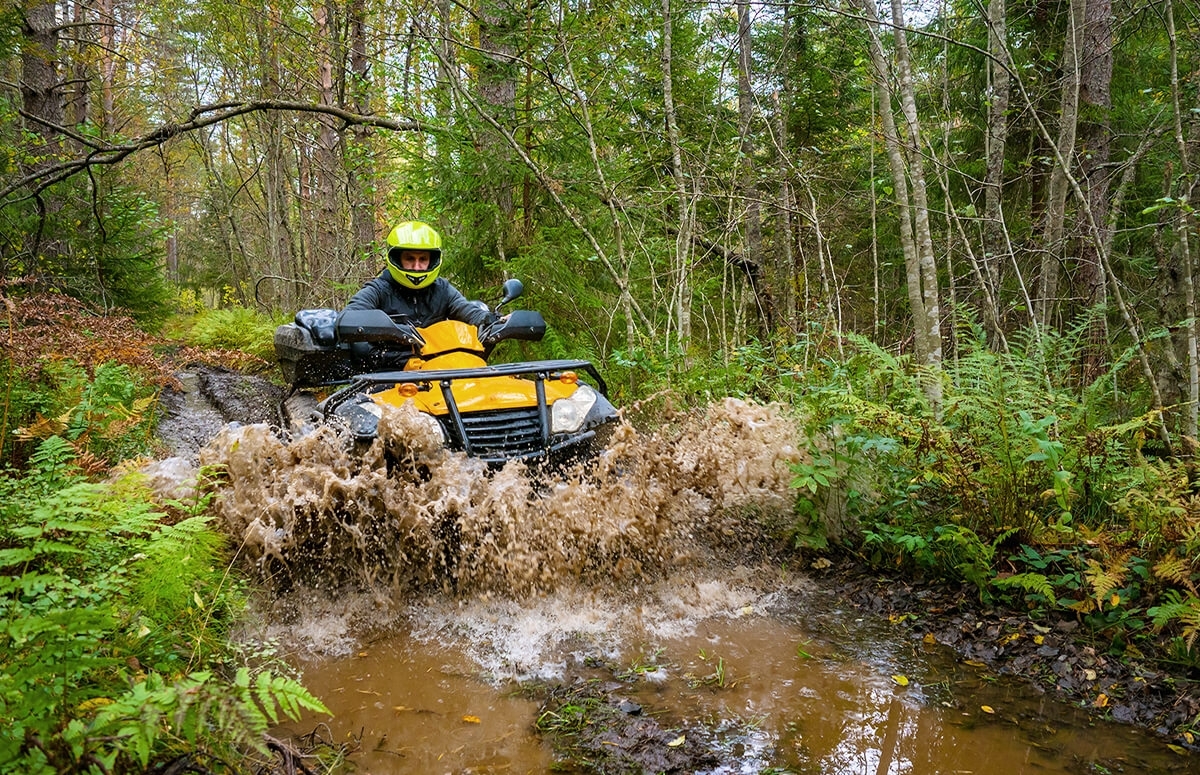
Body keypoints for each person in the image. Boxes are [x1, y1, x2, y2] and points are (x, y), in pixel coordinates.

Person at [344, 220, 494, 329]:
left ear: (432, 260)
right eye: (410, 258)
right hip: (389, 369)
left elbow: (466, 310)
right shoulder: (378, 290)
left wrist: (493, 320)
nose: (417, 266)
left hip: (438, 367)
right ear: (397, 259)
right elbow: (350, 316)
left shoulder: (442, 290)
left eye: (423, 259)